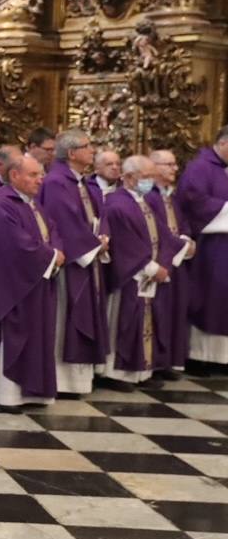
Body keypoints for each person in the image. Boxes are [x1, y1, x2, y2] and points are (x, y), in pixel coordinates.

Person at [0, 155, 63, 410]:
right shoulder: (3, 205)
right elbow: (16, 246)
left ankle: (31, 392)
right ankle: (4, 395)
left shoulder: (32, 205)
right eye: (33, 175)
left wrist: (57, 250)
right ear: (14, 176)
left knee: (37, 337)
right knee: (13, 336)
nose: (40, 179)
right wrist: (52, 255)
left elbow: (52, 231)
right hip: (11, 289)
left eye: (41, 174)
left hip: (34, 286)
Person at [38, 128, 109, 394]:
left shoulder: (79, 181)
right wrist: (93, 245)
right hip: (71, 263)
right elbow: (64, 223)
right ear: (71, 153)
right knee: (68, 314)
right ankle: (62, 379)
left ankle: (78, 379)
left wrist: (102, 238)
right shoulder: (57, 182)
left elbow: (97, 217)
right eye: (87, 146)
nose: (93, 150)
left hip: (87, 256)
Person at [101, 155, 181, 391]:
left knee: (146, 323)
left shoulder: (141, 201)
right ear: (128, 177)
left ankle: (141, 371)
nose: (149, 182)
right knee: (124, 323)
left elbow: (162, 235)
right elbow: (125, 244)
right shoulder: (117, 204)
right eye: (145, 177)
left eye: (150, 177)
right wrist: (152, 268)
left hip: (148, 274)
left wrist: (169, 258)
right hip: (131, 276)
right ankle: (117, 374)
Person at [175, 127, 228, 371]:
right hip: (212, 247)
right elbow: (193, 200)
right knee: (211, 297)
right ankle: (201, 357)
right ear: (224, 143)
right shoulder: (200, 167)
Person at [148, 149, 195, 378]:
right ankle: (155, 362)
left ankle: (170, 361)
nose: (175, 169)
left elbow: (182, 223)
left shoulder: (171, 196)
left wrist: (188, 239)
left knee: (176, 310)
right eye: (169, 164)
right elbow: (157, 230)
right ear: (154, 167)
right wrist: (181, 246)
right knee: (159, 312)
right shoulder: (150, 197)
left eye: (175, 164)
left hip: (178, 264)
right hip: (161, 263)